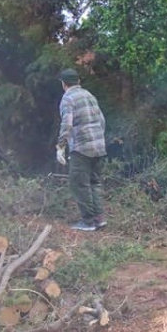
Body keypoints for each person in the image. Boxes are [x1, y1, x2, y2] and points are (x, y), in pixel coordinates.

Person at [56, 68, 108, 231]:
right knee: (95, 182)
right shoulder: (89, 95)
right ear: (78, 81)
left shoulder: (68, 99)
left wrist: (61, 146)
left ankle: (88, 222)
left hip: (81, 147)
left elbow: (67, 124)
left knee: (79, 183)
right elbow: (102, 120)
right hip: (99, 146)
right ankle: (99, 218)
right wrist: (98, 139)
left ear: (63, 84)